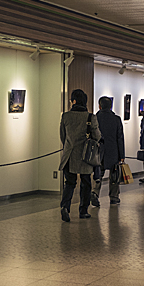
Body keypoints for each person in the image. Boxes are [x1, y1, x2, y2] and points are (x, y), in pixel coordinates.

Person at [59, 89, 102, 221]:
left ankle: (65, 207)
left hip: (70, 155)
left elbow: (62, 136)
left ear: (74, 101)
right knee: (86, 183)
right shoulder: (91, 117)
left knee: (69, 183)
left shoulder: (66, 116)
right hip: (86, 155)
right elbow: (97, 136)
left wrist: (69, 145)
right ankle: (83, 210)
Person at [93, 96, 125, 206]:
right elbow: (120, 138)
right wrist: (122, 155)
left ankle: (95, 193)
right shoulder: (116, 119)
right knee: (114, 175)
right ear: (111, 106)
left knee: (98, 174)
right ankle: (114, 197)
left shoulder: (95, 118)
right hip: (113, 151)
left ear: (99, 106)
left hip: (99, 151)